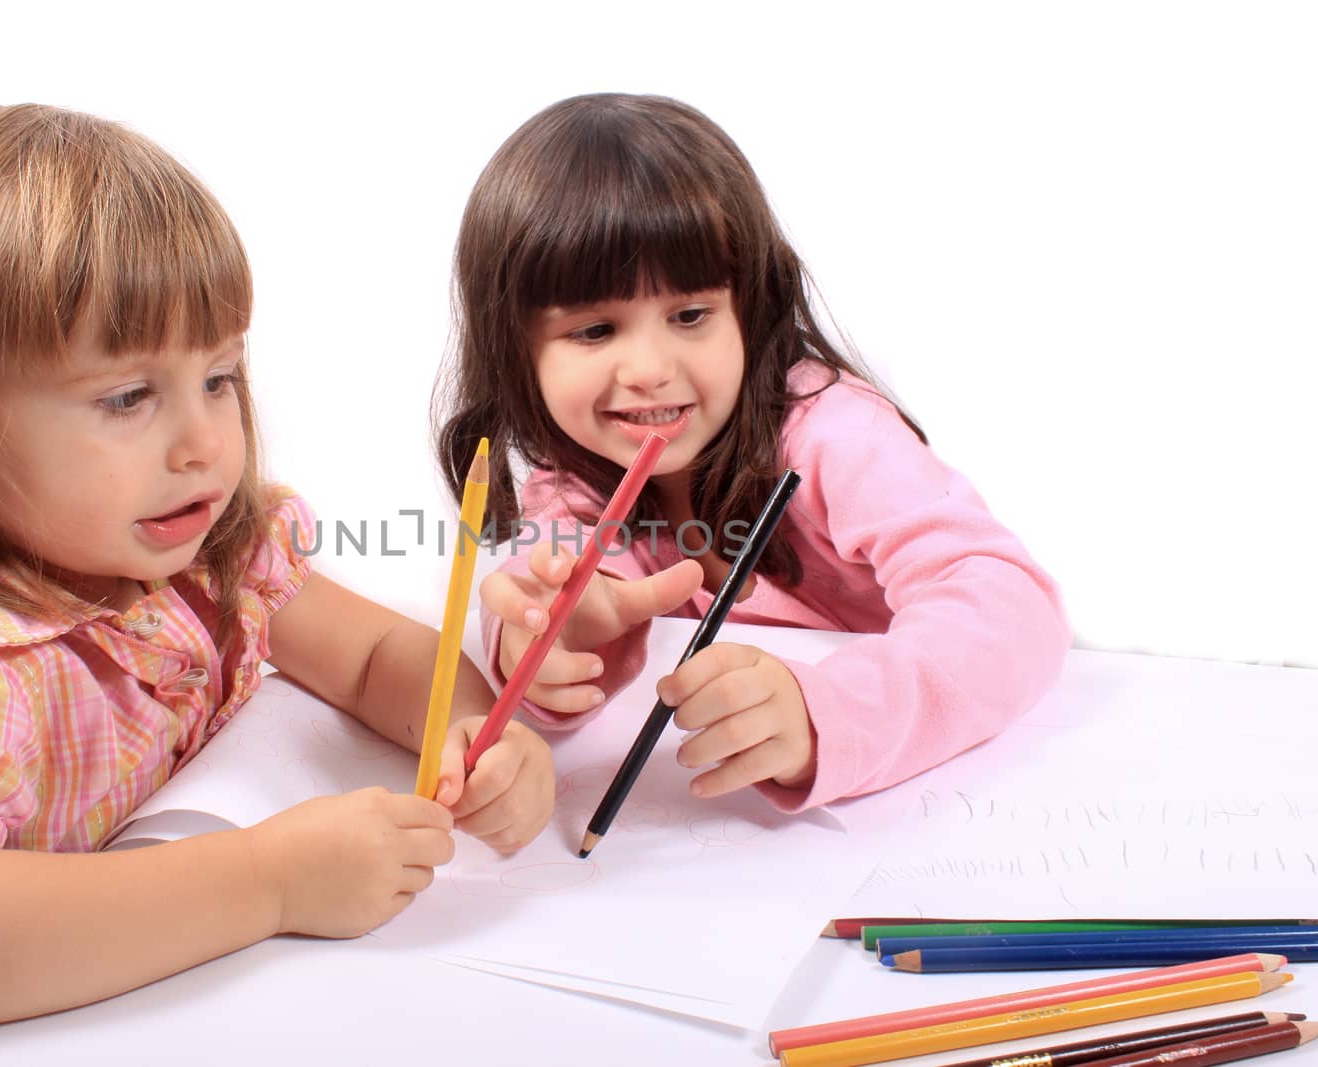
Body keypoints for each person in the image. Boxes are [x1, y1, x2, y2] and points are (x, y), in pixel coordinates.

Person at [0, 103, 554, 1030]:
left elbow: (373, 654)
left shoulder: (202, 555)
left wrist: (470, 728)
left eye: (219, 377)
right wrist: (271, 881)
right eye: (129, 395)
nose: (206, 443)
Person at [434, 92, 1068, 812]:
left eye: (691, 315)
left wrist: (825, 713)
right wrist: (545, 647)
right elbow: (546, 591)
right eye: (594, 330)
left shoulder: (834, 434)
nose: (648, 367)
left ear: (751, 307)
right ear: (515, 350)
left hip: (936, 805)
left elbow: (1014, 605)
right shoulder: (574, 478)